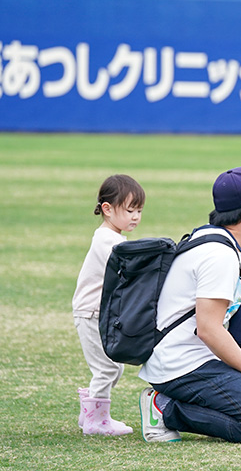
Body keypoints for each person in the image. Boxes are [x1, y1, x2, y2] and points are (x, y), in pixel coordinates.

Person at [138, 166, 241, 444]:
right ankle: (164, 409)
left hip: (201, 353)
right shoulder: (218, 255)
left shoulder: (228, 243)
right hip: (182, 365)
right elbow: (209, 330)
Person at [72, 174, 145, 435]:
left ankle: (89, 410)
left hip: (96, 312)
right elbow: (129, 271)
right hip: (90, 311)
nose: (135, 216)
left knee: (114, 366)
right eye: (129, 210)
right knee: (107, 368)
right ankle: (96, 421)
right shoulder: (108, 241)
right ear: (107, 209)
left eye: (139, 210)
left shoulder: (113, 238)